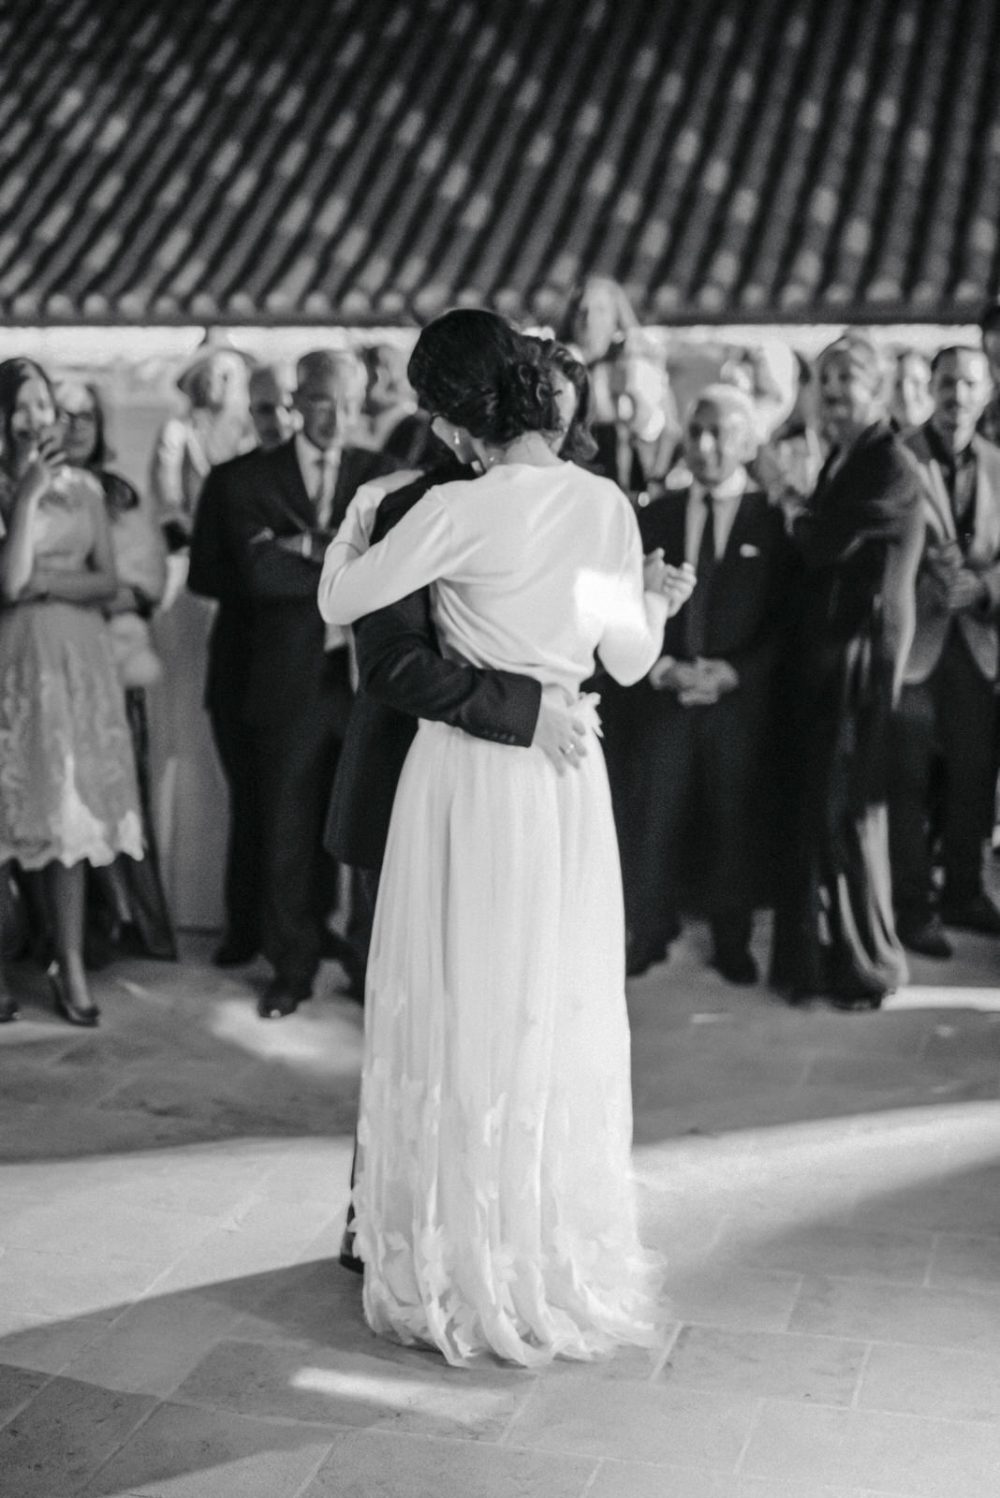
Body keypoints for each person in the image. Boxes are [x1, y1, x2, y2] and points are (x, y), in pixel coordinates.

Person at [318, 309, 694, 1366]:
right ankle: (536, 1247)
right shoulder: (605, 501)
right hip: (567, 774)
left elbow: (341, 596)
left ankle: (454, 1248)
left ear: (451, 416)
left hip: (467, 779)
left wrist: (359, 519)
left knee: (458, 999)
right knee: (547, 1000)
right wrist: (656, 602)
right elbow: (625, 660)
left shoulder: (461, 510)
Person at [325, 335, 596, 1272]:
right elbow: (393, 663)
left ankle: (503, 1214)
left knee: (520, 1006)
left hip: (521, 791)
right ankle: (385, 1214)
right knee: (409, 1008)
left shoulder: (565, 492)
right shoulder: (401, 501)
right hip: (417, 778)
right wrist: (525, 710)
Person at [228, 350, 393, 1017]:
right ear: (298, 399)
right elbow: (256, 574)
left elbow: (389, 572)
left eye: (353, 404)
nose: (341, 417)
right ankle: (290, 968)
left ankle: (366, 967)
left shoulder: (379, 475)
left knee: (369, 837)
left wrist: (303, 547)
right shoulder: (253, 477)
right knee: (287, 830)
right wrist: (341, 562)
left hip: (363, 683)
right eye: (327, 401)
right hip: (288, 680)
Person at [620, 386, 795, 982]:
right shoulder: (656, 513)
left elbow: (784, 616)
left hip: (735, 698)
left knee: (733, 820)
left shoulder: (769, 518)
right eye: (695, 431)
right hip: (666, 689)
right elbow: (626, 600)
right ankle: (646, 933)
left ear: (747, 441)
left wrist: (734, 672)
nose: (704, 444)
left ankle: (732, 942)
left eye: (719, 432)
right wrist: (663, 667)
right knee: (653, 816)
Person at [770, 332, 923, 1010]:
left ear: (878, 391)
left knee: (849, 812)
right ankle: (823, 955)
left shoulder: (890, 463)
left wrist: (784, 498)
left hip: (861, 661)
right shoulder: (849, 458)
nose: (831, 399)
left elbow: (821, 543)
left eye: (846, 387)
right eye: (824, 386)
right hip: (832, 655)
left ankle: (867, 963)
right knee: (822, 808)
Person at [0, 358, 143, 1026]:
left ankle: (72, 964)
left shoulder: (86, 487)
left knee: (67, 814)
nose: (35, 419)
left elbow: (107, 581)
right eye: (21, 407)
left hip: (77, 664)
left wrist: (46, 585)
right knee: (10, 807)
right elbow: (7, 583)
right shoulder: (12, 486)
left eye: (43, 405)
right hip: (14, 660)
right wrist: (25, 496)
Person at [57, 378, 175, 963]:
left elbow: (141, 586)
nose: (76, 426)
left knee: (120, 804)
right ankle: (62, 933)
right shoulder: (30, 490)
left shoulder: (121, 496)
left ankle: (128, 922)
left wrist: (64, 592)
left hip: (112, 669)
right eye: (64, 414)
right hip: (46, 669)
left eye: (86, 416)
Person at [888, 347, 1000, 955]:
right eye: (948, 382)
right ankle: (913, 908)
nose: (958, 395)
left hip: (977, 644)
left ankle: (964, 891)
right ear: (931, 386)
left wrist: (984, 587)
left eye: (971, 384)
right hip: (911, 644)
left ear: (988, 391)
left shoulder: (999, 464)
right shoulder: (898, 456)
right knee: (905, 781)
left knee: (974, 776)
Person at [188, 363, 298, 967]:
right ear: (249, 415)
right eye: (264, 409)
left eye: (286, 406)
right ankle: (243, 927)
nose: (278, 419)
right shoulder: (229, 481)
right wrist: (267, 571)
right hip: (238, 660)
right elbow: (204, 572)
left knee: (298, 804)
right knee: (249, 802)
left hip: (306, 665)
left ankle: (300, 926)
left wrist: (279, 562)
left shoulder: (326, 480)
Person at [560, 276, 680, 498]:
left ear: (617, 318)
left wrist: (634, 392)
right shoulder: (559, 368)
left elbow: (665, 431)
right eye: (581, 310)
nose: (589, 320)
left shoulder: (637, 365)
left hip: (630, 484)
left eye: (600, 310)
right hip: (574, 486)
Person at [890, 348, 934, 434]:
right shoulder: (871, 443)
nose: (906, 394)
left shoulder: (953, 442)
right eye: (897, 385)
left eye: (916, 383)